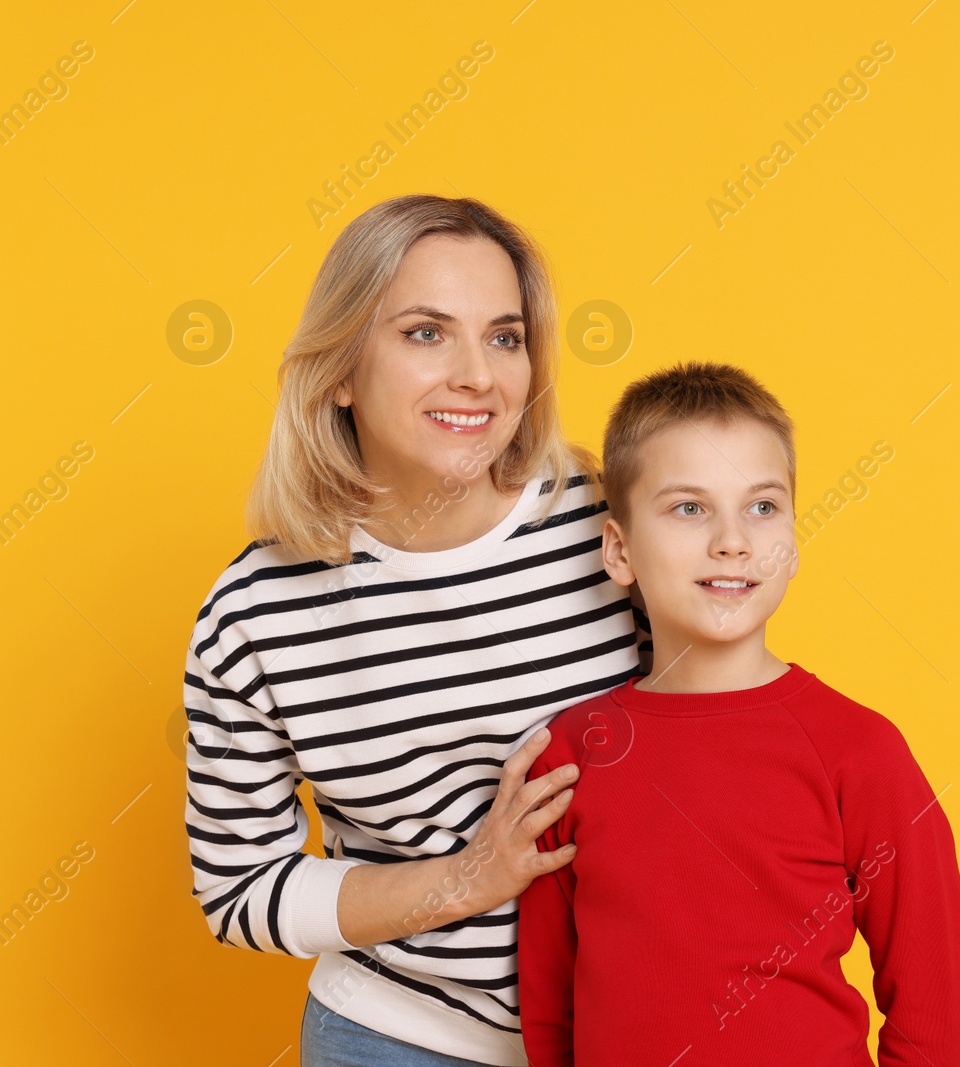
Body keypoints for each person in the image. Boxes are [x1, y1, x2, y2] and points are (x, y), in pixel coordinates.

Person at [182, 194, 650, 1067]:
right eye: (426, 333)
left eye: (504, 337)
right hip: (398, 1038)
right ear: (342, 370)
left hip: (637, 1028)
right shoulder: (255, 612)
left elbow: (730, 729)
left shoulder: (611, 531)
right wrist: (466, 877)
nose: (478, 375)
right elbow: (241, 889)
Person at [516, 361, 960, 1066]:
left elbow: (931, 1004)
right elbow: (550, 1008)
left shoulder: (860, 750)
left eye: (762, 506)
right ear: (619, 549)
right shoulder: (572, 753)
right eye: (689, 507)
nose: (733, 539)